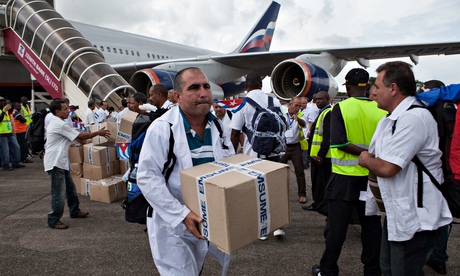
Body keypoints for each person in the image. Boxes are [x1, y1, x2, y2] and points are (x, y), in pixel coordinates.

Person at [137, 67, 234, 275]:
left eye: (206, 86)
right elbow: (147, 177)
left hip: (206, 220)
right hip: (172, 222)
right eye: (194, 87)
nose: (203, 93)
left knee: (196, 269)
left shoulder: (217, 127)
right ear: (178, 96)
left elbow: (229, 169)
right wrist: (181, 214)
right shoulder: (162, 128)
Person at [359, 62, 452, 275]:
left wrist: (365, 159)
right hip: (397, 213)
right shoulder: (390, 119)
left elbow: (387, 167)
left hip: (415, 217)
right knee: (388, 269)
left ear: (393, 88)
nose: (373, 92)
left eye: (378, 87)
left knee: (403, 271)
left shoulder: (414, 118)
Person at [313, 68, 387, 276]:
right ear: (368, 85)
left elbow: (339, 142)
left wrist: (364, 154)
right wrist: (371, 157)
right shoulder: (380, 109)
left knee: (336, 229)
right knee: (372, 226)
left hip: (343, 180)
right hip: (370, 179)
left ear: (347, 86)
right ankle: (373, 270)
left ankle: (328, 269)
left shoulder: (341, 108)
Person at [230, 72, 286, 239]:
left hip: (252, 154)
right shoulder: (273, 100)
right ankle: (278, 226)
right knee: (273, 189)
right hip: (275, 153)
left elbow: (234, 132)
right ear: (261, 85)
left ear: (246, 86)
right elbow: (285, 125)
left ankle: (262, 229)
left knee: (256, 191)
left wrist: (233, 154)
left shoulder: (243, 103)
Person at [44, 99, 111, 229]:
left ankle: (74, 210)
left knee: (70, 189)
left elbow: (77, 137)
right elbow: (81, 135)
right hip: (55, 162)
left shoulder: (61, 123)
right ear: (57, 111)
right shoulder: (59, 124)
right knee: (58, 192)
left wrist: (83, 139)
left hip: (61, 162)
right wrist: (98, 133)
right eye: (64, 109)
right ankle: (53, 219)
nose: (67, 111)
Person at [303, 91, 331, 211]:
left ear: (328, 100)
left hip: (321, 157)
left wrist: (321, 155)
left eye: (321, 99)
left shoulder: (328, 113)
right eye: (316, 99)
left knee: (321, 183)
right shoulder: (322, 112)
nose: (318, 101)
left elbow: (327, 137)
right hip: (316, 156)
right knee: (316, 182)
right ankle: (318, 203)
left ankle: (321, 205)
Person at [280, 97, 308, 204]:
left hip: (296, 147)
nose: (298, 108)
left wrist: (297, 119)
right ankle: (279, 193)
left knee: (299, 171)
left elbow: (304, 124)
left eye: (300, 106)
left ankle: (302, 194)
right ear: (290, 104)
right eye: (296, 105)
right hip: (284, 147)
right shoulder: (282, 113)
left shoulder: (301, 115)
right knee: (279, 170)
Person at [0, 97, 25, 171]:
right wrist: (4, 111)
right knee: (5, 151)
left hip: (9, 133)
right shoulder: (4, 111)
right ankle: (5, 165)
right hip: (1, 134)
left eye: (3, 101)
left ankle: (15, 163)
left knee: (16, 147)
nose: (3, 103)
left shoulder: (7, 111)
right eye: (1, 101)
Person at [300, 97, 310, 169]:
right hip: (300, 133)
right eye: (303, 103)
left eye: (306, 103)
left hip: (306, 133)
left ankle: (305, 164)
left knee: (305, 150)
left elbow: (311, 122)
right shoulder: (299, 110)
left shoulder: (309, 111)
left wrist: (309, 131)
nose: (305, 105)